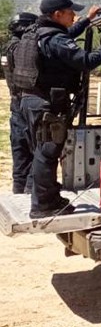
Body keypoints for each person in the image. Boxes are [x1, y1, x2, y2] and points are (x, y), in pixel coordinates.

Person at [21, 0, 101, 218]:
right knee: (48, 153)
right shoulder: (55, 38)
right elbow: (85, 61)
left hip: (31, 101)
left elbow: (67, 36)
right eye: (71, 13)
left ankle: (49, 198)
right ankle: (42, 206)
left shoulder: (37, 33)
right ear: (57, 14)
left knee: (42, 152)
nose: (74, 16)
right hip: (45, 104)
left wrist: (87, 20)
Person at [5, 12, 38, 193]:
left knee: (20, 153)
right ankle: (28, 192)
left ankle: (19, 190)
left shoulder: (9, 47)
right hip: (24, 105)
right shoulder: (21, 50)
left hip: (15, 104)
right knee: (35, 152)